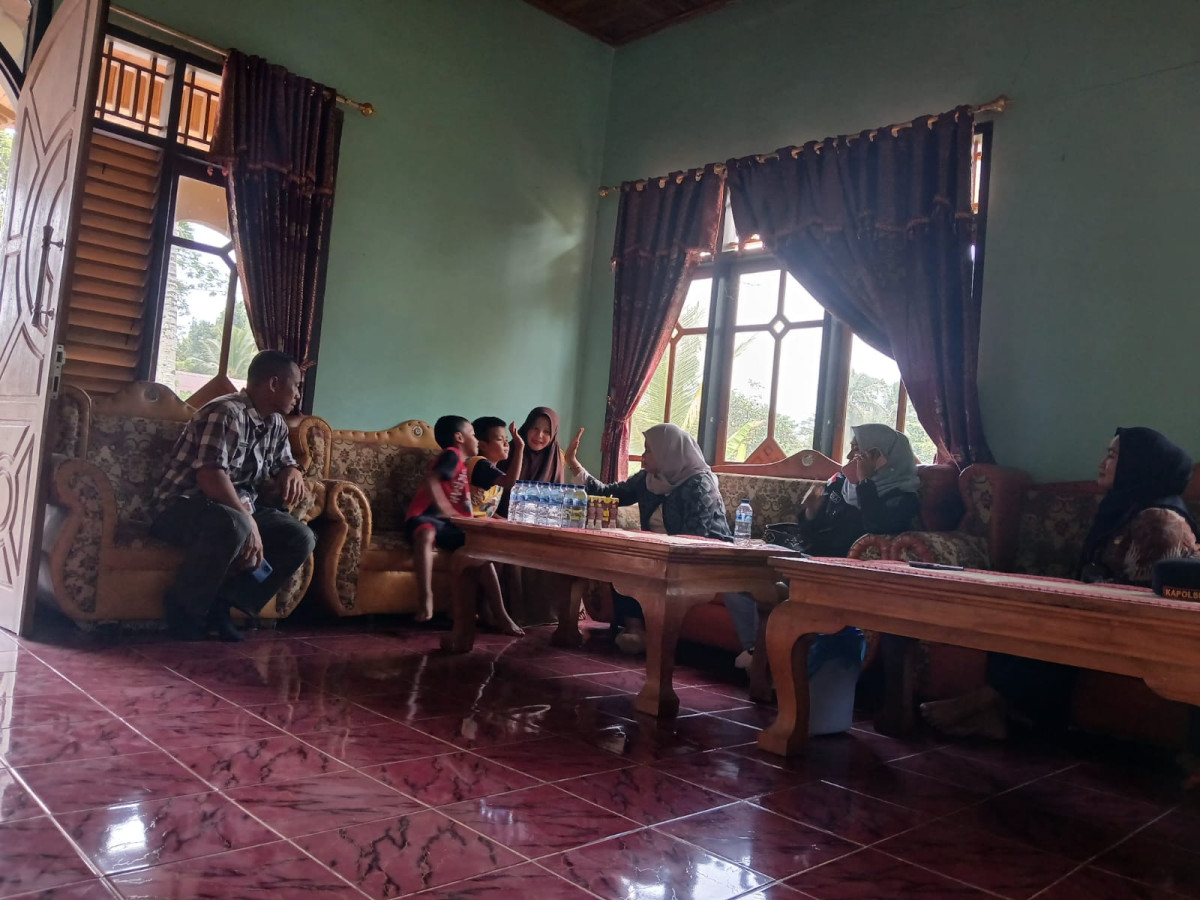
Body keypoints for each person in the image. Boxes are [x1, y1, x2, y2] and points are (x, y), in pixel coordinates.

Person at [921, 426, 1200, 741]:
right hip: (1103, 613)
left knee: (1056, 630)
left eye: (1112, 456)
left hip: (1142, 628)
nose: (1102, 463)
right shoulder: (1126, 507)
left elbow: (1142, 602)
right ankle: (995, 714)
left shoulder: (1159, 521)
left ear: (1138, 464)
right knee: (1023, 615)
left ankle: (982, 701)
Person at [150, 350, 317, 642]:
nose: (298, 395)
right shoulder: (225, 412)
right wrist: (248, 521)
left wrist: (293, 471)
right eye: (296, 386)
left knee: (300, 537)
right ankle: (184, 609)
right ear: (274, 384)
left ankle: (225, 603)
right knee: (234, 525)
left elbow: (285, 461)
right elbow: (210, 475)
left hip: (233, 510)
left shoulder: (276, 423)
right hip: (181, 507)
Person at [725, 423, 922, 669]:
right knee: (736, 583)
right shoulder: (840, 484)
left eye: (858, 451)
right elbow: (810, 533)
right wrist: (811, 512)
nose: (849, 457)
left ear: (881, 457)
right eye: (851, 449)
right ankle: (758, 653)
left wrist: (865, 482)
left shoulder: (903, 498)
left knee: (773, 588)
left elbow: (877, 526)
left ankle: (764, 657)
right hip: (807, 559)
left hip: (837, 572)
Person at [566, 422, 731, 654]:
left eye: (648, 450)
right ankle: (635, 630)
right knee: (623, 561)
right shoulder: (648, 479)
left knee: (642, 564)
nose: (643, 456)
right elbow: (609, 493)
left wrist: (655, 555)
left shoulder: (700, 484)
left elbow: (695, 537)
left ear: (668, 452)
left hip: (706, 556)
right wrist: (573, 463)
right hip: (662, 552)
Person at [405, 415, 522, 635]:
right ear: (459, 438)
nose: (476, 439)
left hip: (448, 524)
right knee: (426, 535)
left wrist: (467, 520)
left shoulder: (461, 465)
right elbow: (432, 479)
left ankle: (499, 613)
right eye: (473, 435)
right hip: (424, 516)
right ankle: (426, 598)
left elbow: (467, 503)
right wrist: (445, 508)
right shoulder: (452, 454)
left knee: (480, 553)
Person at [469, 416, 525, 518]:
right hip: (465, 524)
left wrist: (505, 522)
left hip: (479, 523)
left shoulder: (496, 473)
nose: (506, 444)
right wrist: (520, 447)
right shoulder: (480, 464)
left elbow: (485, 510)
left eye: (506, 439)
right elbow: (511, 483)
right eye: (500, 439)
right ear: (483, 445)